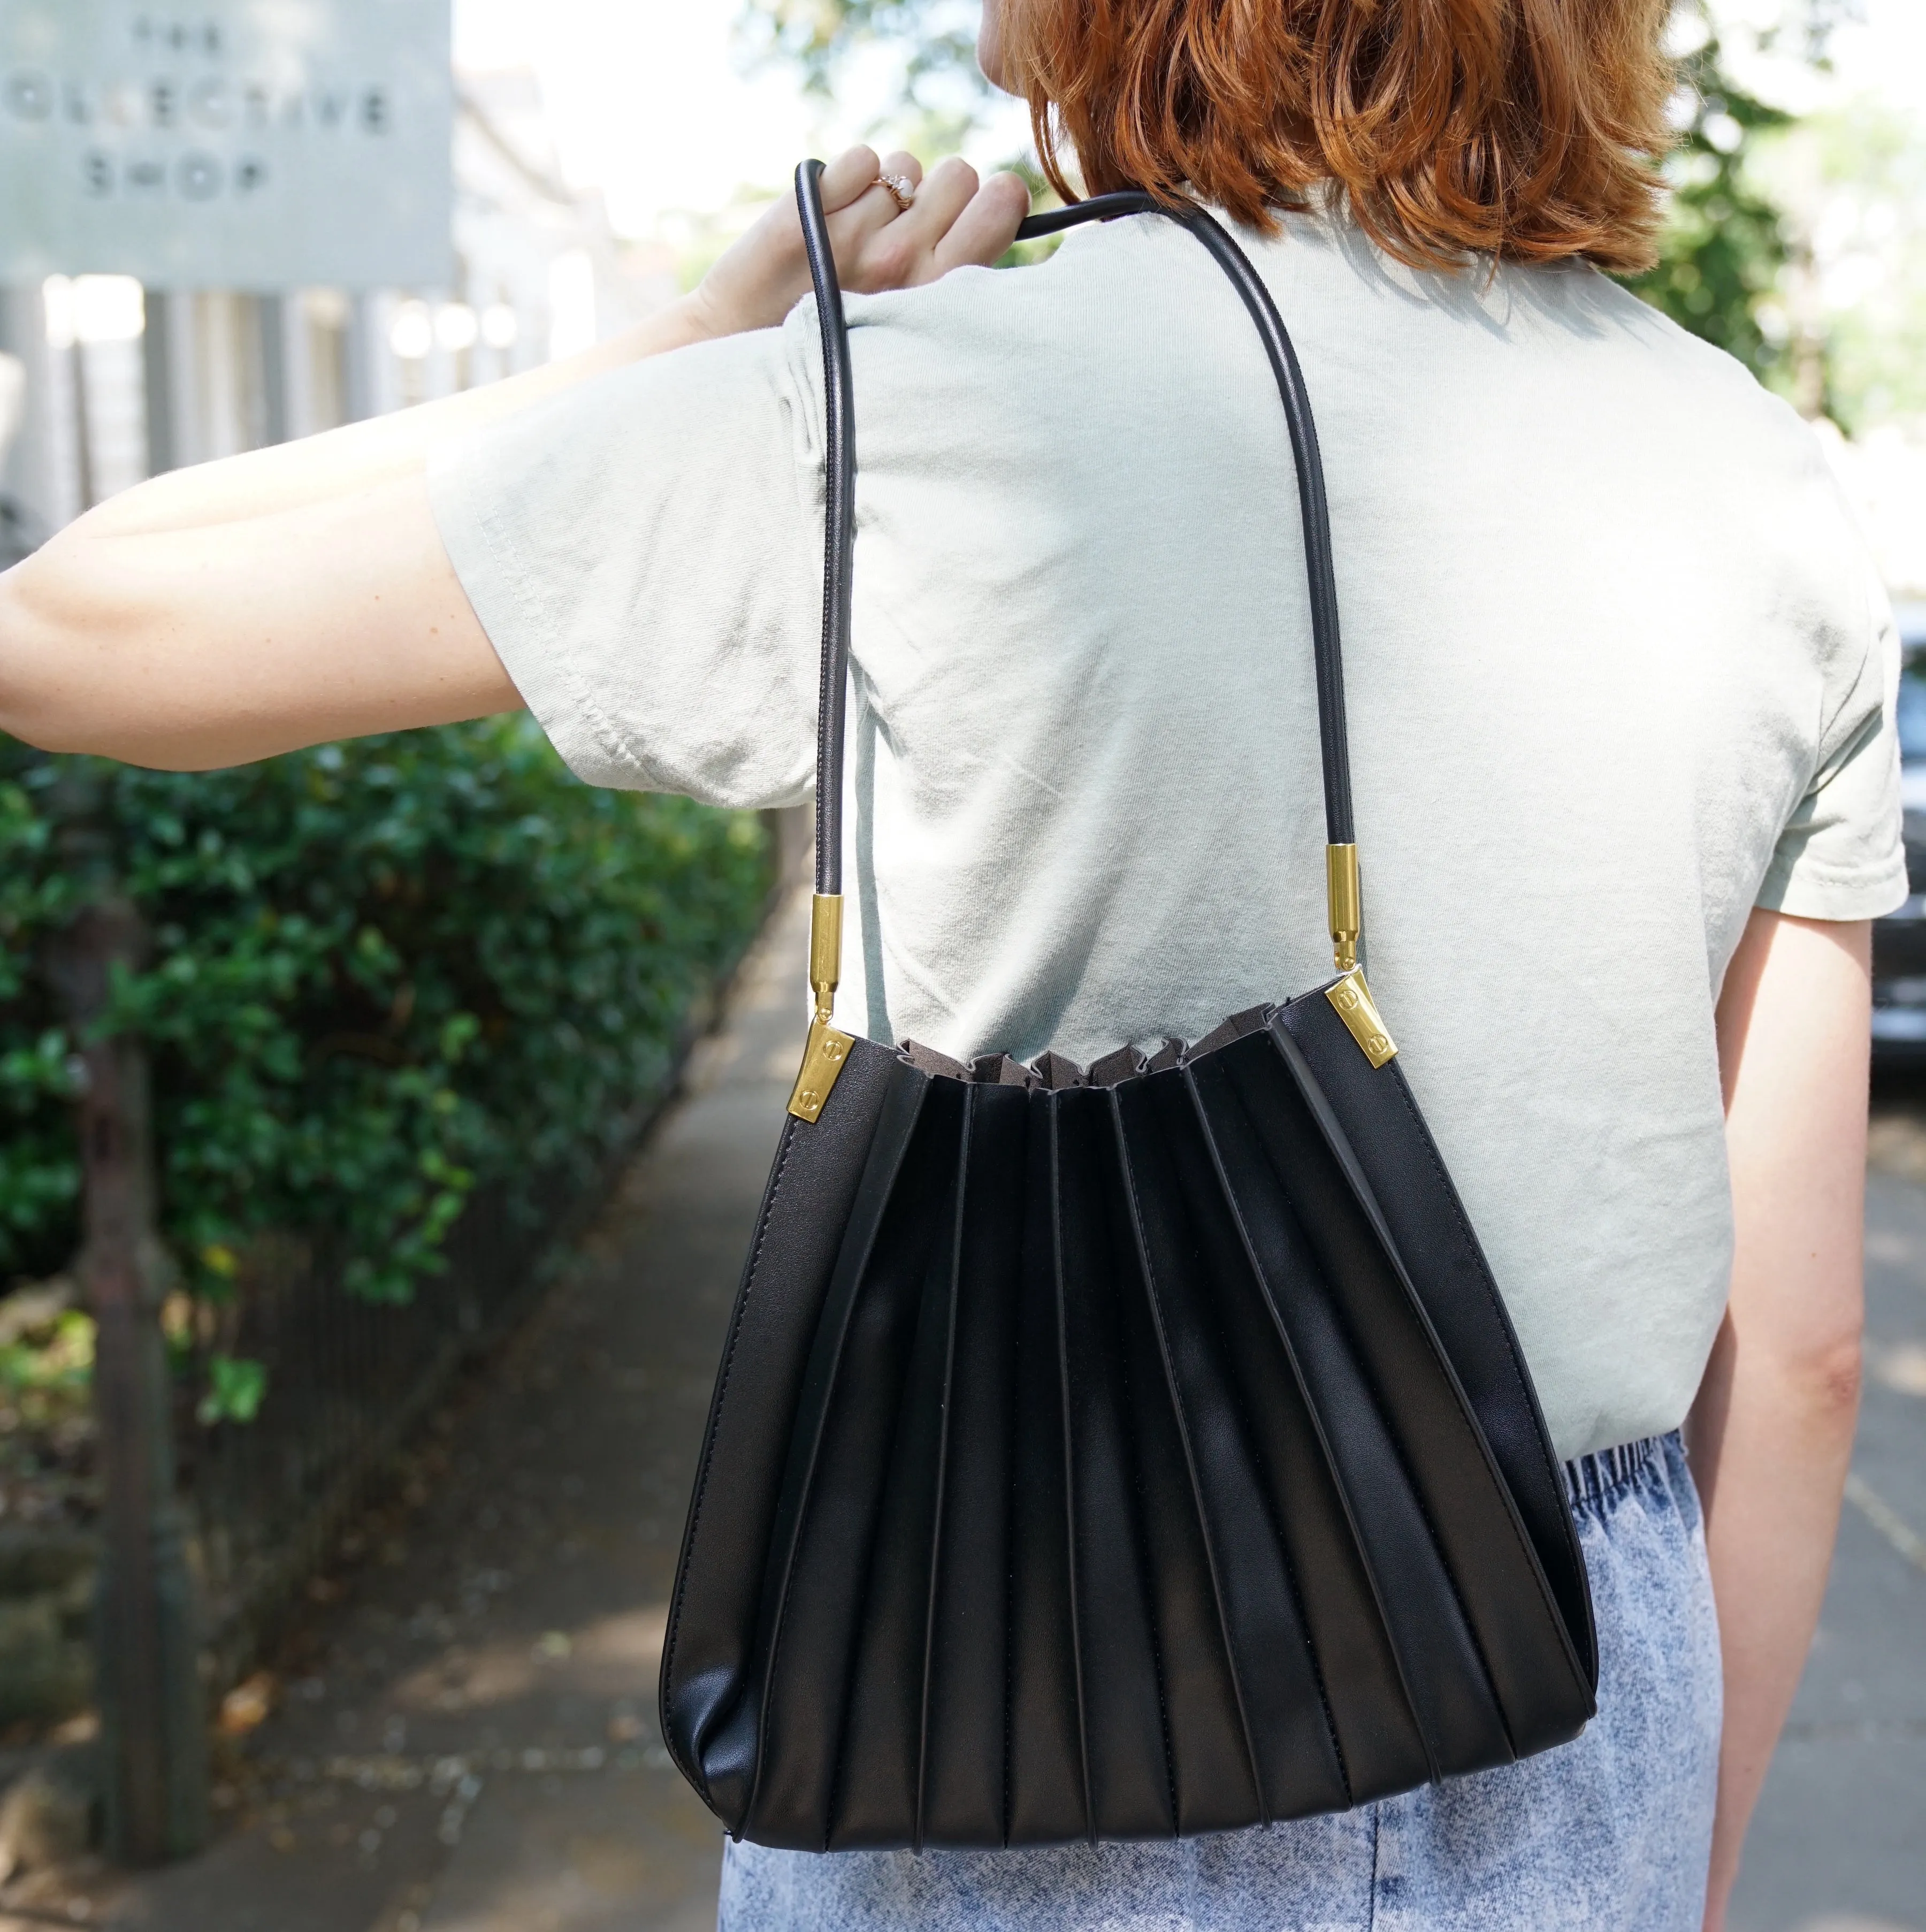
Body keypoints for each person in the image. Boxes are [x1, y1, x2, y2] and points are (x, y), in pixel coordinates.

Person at [0, 2, 1897, 1926]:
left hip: (1008, 1647)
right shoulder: (1760, 485)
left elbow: (70, 630)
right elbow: (1805, 1355)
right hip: (1562, 1673)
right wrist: (1686, 1858)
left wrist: (686, 352)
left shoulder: (898, 411)